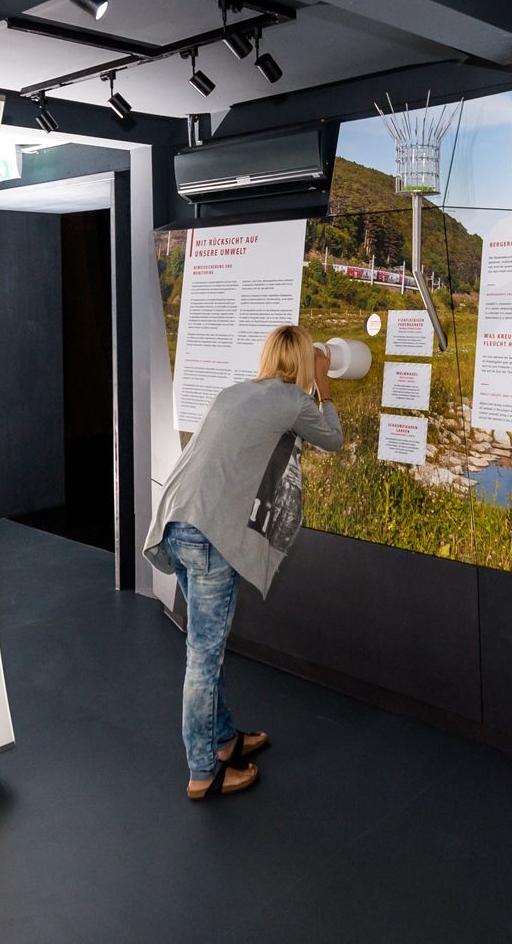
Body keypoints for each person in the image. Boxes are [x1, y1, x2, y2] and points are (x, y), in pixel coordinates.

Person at [142, 324, 344, 800]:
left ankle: (225, 739)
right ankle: (202, 772)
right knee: (204, 657)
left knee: (205, 646)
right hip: (209, 536)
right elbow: (332, 437)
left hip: (175, 523)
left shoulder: (234, 392)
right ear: (299, 361)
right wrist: (324, 383)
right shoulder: (293, 401)